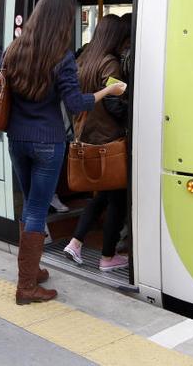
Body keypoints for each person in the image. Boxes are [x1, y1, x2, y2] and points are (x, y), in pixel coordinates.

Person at [2, 0, 125, 305]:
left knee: (30, 203)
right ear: (61, 22)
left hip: (17, 138)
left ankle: (32, 270)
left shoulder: (14, 49)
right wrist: (108, 90)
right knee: (36, 208)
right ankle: (26, 286)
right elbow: (74, 103)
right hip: (47, 142)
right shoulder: (61, 57)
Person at [63, 14, 131, 272]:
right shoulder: (110, 64)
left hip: (87, 137)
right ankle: (107, 257)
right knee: (116, 199)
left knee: (101, 195)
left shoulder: (84, 58)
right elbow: (115, 104)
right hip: (108, 141)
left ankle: (75, 243)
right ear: (116, 37)